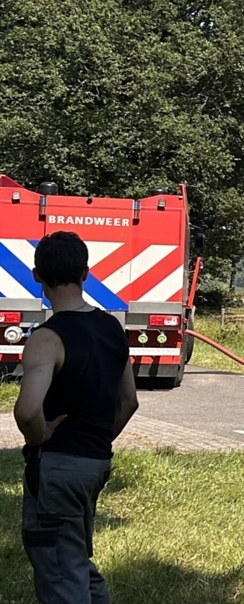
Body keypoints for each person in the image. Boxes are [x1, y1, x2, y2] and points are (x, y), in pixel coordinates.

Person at [14, 231, 138, 603]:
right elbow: (129, 401)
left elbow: (26, 410)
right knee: (73, 560)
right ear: (86, 273)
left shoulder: (47, 339)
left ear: (37, 276)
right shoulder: (112, 328)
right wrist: (98, 441)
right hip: (97, 462)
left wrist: (40, 437)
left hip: (58, 466)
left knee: (58, 572)